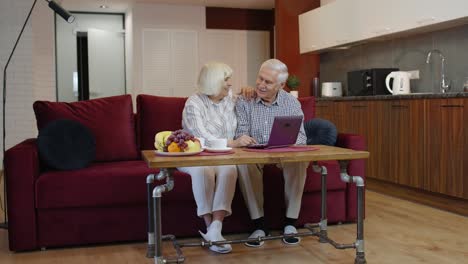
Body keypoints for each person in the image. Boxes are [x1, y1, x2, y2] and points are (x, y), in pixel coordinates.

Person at [179, 62, 255, 254]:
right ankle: (209, 226)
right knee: (204, 170)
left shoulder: (229, 99)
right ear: (213, 82)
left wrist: (249, 91)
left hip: (223, 156)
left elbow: (250, 101)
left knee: (229, 169)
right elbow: (203, 138)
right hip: (195, 156)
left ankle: (216, 228)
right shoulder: (193, 103)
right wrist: (234, 142)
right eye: (226, 80)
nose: (230, 84)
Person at [235, 58, 309, 247]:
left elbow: (301, 137)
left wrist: (288, 144)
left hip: (283, 153)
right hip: (255, 153)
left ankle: (290, 223)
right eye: (260, 78)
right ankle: (259, 225)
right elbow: (240, 131)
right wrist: (243, 138)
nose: (260, 84)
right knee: (243, 163)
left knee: (300, 160)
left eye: (267, 82)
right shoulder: (245, 99)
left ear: (281, 85)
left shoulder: (291, 103)